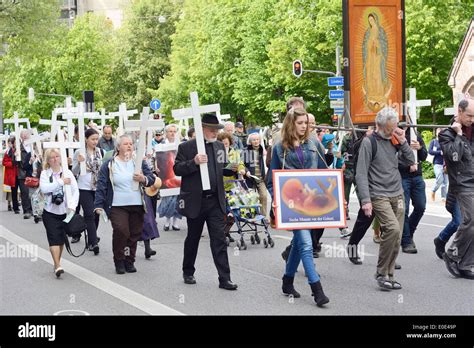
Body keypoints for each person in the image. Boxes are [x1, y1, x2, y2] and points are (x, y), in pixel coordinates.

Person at [267, 107, 330, 307]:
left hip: (310, 203)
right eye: (301, 123)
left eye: (307, 123)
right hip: (290, 203)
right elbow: (271, 179)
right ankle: (317, 289)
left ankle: (287, 281)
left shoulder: (314, 143)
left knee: (298, 243)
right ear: (291, 123)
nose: (305, 127)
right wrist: (276, 199)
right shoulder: (279, 147)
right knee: (305, 243)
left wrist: (335, 196)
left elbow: (325, 173)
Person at [174, 113, 238, 290]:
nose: (215, 133)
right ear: (202, 129)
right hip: (195, 201)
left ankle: (224, 278)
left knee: (219, 239)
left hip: (215, 201)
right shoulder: (186, 147)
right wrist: (193, 162)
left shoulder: (219, 146)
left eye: (217, 130)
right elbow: (177, 169)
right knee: (193, 238)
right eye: (212, 130)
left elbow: (222, 168)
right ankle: (188, 271)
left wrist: (233, 170)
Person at [355, 107, 415, 290]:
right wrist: (365, 200)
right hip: (378, 194)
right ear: (379, 126)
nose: (391, 133)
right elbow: (361, 173)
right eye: (388, 130)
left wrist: (403, 141)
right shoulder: (368, 142)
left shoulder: (396, 139)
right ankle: (381, 273)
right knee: (394, 229)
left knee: (396, 237)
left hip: (397, 192)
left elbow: (411, 159)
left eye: (394, 128)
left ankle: (389, 275)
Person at [94, 134, 155, 274]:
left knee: (134, 234)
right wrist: (98, 205)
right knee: (122, 231)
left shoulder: (138, 162)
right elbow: (102, 185)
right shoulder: (110, 164)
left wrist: (143, 178)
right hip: (117, 205)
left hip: (137, 204)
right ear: (118, 146)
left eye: (130, 144)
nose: (129, 146)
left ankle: (129, 260)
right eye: (125, 143)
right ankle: (119, 260)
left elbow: (151, 178)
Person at [439, 98, 474, 280]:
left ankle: (466, 264)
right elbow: (453, 157)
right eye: (469, 115)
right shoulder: (446, 134)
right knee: (469, 220)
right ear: (459, 112)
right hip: (462, 184)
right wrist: (459, 135)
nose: (472, 119)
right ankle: (452, 253)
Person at [39, 148, 79, 278]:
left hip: (65, 212)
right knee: (53, 238)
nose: (55, 159)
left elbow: (75, 190)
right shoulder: (45, 174)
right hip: (50, 212)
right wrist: (61, 182)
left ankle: (57, 262)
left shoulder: (67, 172)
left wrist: (72, 206)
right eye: (52, 157)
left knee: (61, 239)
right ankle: (57, 265)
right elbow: (45, 188)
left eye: (57, 156)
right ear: (48, 160)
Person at [72, 128, 103, 254]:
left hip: (97, 187)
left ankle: (92, 236)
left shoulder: (100, 152)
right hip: (84, 187)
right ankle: (93, 242)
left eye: (97, 139)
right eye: (92, 139)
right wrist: (79, 163)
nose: (95, 142)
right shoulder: (79, 152)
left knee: (96, 214)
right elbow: (73, 172)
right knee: (89, 214)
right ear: (86, 139)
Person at [398, 125, 428, 254]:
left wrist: (420, 148)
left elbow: (424, 156)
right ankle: (406, 241)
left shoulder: (416, 134)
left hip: (417, 177)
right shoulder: (394, 133)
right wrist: (408, 164)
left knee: (420, 207)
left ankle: (408, 232)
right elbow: (392, 158)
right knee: (404, 209)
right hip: (402, 176)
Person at [362, 12, 391, 112]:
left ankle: (379, 94)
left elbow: (384, 45)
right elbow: (364, 47)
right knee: (370, 75)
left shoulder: (381, 31)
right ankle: (371, 93)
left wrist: (377, 45)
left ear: (375, 20)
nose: (371, 22)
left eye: (372, 20)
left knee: (377, 74)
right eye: (369, 21)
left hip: (378, 57)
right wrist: (369, 46)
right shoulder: (367, 32)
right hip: (370, 58)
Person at [157, 124, 183, 231]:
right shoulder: (161, 145)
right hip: (166, 174)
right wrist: (156, 167)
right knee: (167, 199)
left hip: (178, 174)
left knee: (177, 199)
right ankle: (167, 222)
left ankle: (175, 222)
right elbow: (157, 159)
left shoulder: (180, 145)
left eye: (174, 131)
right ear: (166, 133)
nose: (172, 133)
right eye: (170, 131)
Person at [242, 132, 268, 217]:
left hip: (261, 178)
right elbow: (241, 163)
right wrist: (246, 170)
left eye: (257, 139)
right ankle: (252, 215)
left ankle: (263, 216)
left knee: (264, 196)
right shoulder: (245, 151)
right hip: (250, 178)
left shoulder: (262, 150)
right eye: (254, 140)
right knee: (251, 198)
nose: (256, 141)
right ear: (250, 141)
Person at [17, 129, 34, 219]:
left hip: (32, 173)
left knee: (33, 193)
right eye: (24, 136)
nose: (25, 138)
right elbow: (15, 161)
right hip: (22, 174)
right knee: (25, 193)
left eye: (27, 136)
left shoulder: (33, 147)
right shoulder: (19, 148)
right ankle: (27, 210)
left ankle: (34, 210)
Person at [429, 128, 448, 202]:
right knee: (440, 178)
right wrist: (440, 152)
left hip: (446, 164)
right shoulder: (434, 142)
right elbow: (430, 151)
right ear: (436, 133)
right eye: (439, 132)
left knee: (445, 182)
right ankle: (433, 190)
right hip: (437, 163)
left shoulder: (446, 141)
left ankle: (443, 198)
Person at [2, 136, 20, 214]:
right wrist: (12, 163)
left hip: (20, 173)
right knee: (14, 191)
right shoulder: (8, 152)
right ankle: (15, 207)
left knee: (22, 191)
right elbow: (4, 162)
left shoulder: (18, 150)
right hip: (13, 174)